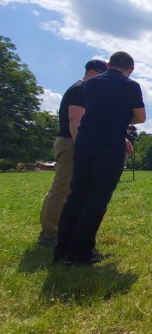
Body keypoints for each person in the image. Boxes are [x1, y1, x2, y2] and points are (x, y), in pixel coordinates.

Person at [53, 51, 145, 266]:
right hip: (109, 145)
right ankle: (82, 252)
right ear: (130, 70)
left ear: (108, 64)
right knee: (97, 199)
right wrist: (121, 116)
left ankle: (62, 249)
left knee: (76, 196)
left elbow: (90, 110)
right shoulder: (130, 86)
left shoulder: (90, 84)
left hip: (84, 144)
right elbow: (140, 117)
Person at [37, 60, 108, 247]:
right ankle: (50, 233)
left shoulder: (85, 89)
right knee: (62, 188)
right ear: (92, 72)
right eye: (103, 75)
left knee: (70, 189)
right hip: (71, 143)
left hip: (75, 143)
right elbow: (75, 121)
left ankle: (61, 229)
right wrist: (81, 148)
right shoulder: (80, 89)